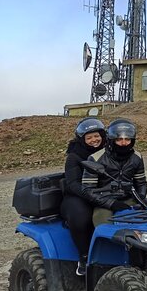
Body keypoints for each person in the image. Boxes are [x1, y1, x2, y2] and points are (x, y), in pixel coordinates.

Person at [78, 119, 147, 275]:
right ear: (111, 139)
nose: (123, 143)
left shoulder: (137, 157)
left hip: (129, 198)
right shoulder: (96, 159)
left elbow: (141, 183)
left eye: (127, 139)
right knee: (105, 229)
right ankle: (104, 267)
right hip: (103, 203)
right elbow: (88, 190)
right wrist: (111, 203)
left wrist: (141, 199)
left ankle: (146, 260)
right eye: (119, 139)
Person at [60, 118, 107, 276]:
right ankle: (84, 256)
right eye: (89, 137)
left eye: (97, 136)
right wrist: (92, 196)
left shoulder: (109, 151)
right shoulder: (74, 156)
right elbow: (73, 184)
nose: (94, 140)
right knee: (82, 218)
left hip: (103, 192)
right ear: (82, 140)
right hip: (77, 195)